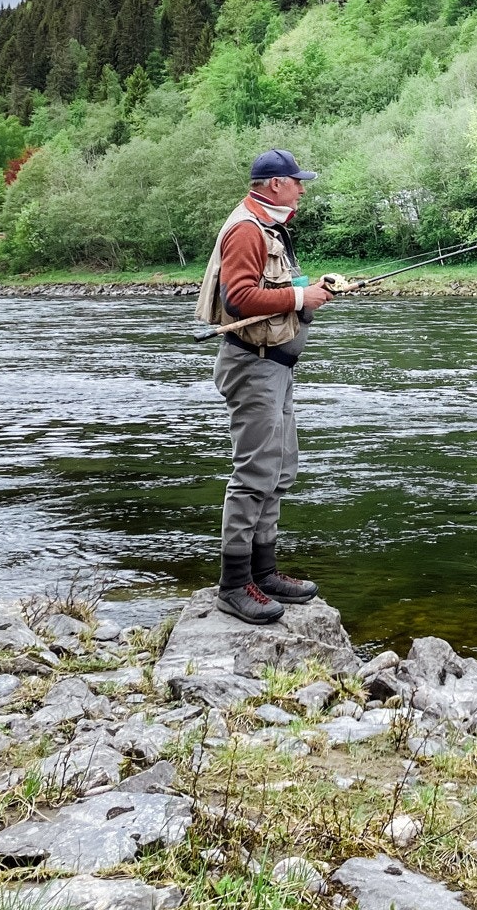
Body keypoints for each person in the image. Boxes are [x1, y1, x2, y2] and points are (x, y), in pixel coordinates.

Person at [195, 149, 333, 624]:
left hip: (275, 367)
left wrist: (312, 290)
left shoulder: (269, 226)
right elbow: (239, 298)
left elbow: (272, 291)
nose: (302, 188)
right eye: (298, 181)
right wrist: (300, 295)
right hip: (253, 368)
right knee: (253, 475)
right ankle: (234, 585)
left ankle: (264, 571)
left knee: (279, 471)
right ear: (275, 184)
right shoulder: (246, 230)